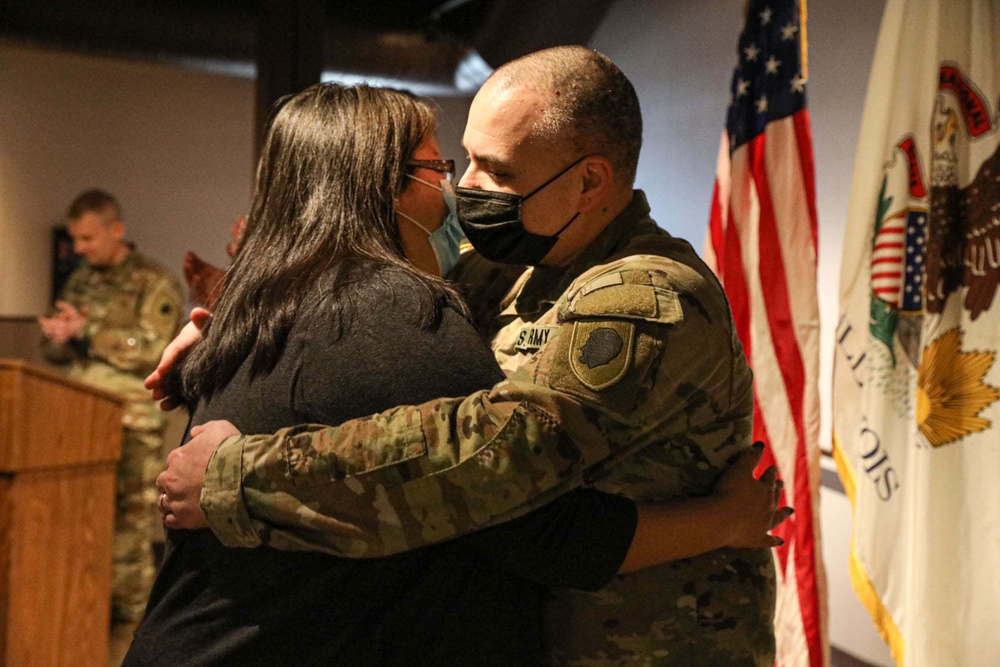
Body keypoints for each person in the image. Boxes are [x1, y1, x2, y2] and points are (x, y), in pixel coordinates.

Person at [153, 47, 781, 665]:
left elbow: (499, 456)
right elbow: (351, 303)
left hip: (651, 641)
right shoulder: (503, 267)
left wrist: (239, 478)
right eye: (468, 160)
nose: (468, 188)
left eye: (499, 171)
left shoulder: (644, 292)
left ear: (590, 181)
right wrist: (228, 325)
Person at [38, 188, 184, 623]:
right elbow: (59, 354)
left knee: (129, 524)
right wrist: (60, 338)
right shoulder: (80, 281)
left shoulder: (153, 281)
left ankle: (130, 619)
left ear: (115, 230)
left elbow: (157, 347)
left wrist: (89, 334)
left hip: (131, 419)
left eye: (87, 239)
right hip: (75, 418)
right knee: (74, 516)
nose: (79, 249)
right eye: (75, 240)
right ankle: (78, 610)